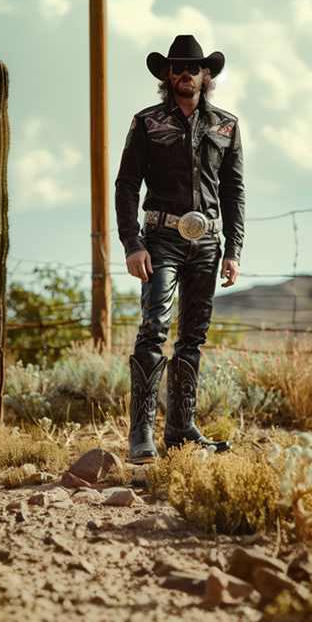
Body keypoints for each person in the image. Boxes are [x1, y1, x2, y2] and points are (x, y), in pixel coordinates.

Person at [114, 35, 245, 464]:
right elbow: (127, 185)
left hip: (209, 242)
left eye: (194, 67)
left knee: (194, 337)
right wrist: (132, 243)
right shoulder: (147, 122)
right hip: (161, 240)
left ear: (206, 75)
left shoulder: (226, 126)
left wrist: (234, 250)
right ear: (167, 75)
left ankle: (180, 430)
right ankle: (141, 436)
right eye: (178, 67)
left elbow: (234, 190)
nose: (186, 74)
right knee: (154, 328)